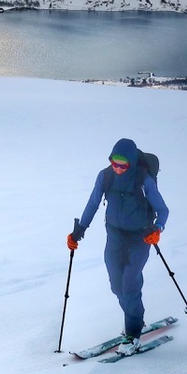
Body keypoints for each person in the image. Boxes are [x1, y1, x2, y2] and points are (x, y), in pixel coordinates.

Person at [67, 137, 169, 354]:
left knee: (130, 283)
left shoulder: (144, 180)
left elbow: (163, 210)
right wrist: (79, 230)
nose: (118, 168)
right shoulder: (105, 177)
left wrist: (158, 229)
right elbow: (93, 202)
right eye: (114, 162)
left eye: (123, 164)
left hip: (140, 238)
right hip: (114, 236)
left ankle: (133, 332)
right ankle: (136, 318)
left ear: (131, 162)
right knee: (117, 285)